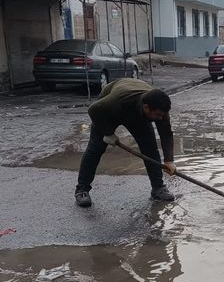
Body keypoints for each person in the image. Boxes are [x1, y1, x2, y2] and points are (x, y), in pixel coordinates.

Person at [75, 78, 176, 208]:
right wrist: (108, 133)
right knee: (96, 148)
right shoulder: (116, 101)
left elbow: (166, 133)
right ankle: (82, 190)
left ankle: (158, 188)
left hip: (137, 113)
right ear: (146, 107)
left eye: (162, 115)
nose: (160, 118)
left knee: (150, 149)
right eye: (157, 115)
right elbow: (93, 110)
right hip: (107, 113)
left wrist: (169, 160)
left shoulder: (160, 109)